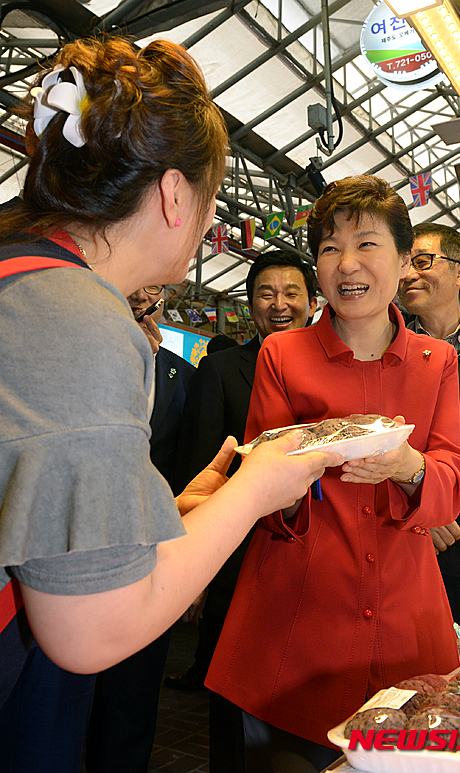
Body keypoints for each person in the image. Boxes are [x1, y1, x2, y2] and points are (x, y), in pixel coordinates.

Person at [0, 37, 341, 765]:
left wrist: (172, 515)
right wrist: (254, 490)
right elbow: (90, 628)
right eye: (211, 195)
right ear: (176, 194)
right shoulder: (80, 318)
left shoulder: (22, 281)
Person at [205, 175, 460, 773]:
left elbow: (452, 472)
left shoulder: (438, 363)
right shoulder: (283, 354)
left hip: (408, 621)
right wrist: (296, 467)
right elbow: (266, 498)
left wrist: (410, 470)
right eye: (329, 248)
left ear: (404, 260)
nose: (347, 264)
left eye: (367, 244)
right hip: (298, 619)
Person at [170, 250, 318, 772]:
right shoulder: (222, 370)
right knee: (234, 688)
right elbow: (199, 469)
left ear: (312, 301)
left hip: (316, 556)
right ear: (249, 305)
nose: (279, 305)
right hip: (239, 553)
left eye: (291, 293)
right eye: (265, 294)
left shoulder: (333, 364)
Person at [85, 285, 196, 773]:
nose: (145, 293)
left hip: (150, 552)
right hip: (78, 546)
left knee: (131, 695)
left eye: (156, 289)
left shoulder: (182, 376)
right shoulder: (76, 352)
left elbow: (187, 463)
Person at [398, 223, 460, 623]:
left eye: (422, 261)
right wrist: (422, 516)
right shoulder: (385, 356)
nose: (408, 274)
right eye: (404, 263)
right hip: (396, 556)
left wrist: (449, 514)